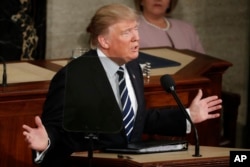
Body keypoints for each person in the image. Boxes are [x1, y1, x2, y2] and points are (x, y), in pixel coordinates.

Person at [22, 4, 222, 167]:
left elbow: (137, 119)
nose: (137, 37)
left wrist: (187, 116)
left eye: (136, 29)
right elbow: (56, 129)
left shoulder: (133, 66)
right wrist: (46, 143)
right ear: (104, 41)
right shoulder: (73, 76)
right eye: (127, 32)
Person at [134, 0, 205, 53]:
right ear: (141, 1)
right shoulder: (131, 28)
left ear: (170, 3)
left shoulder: (187, 29)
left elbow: (203, 63)